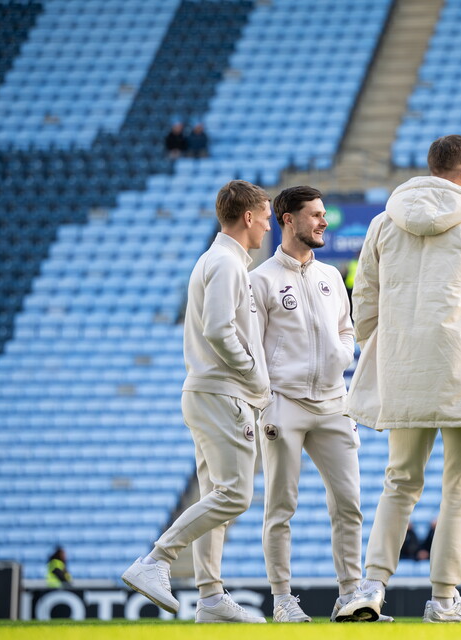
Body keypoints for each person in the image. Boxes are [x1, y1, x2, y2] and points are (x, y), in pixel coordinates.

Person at [337, 135, 461, 623]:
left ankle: (371, 585)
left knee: (399, 481)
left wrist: (386, 351)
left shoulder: (383, 222)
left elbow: (366, 302)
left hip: (405, 370)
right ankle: (443, 599)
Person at [121, 179, 273, 624]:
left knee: (215, 495)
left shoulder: (216, 259)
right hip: (222, 393)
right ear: (247, 217)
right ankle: (156, 560)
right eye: (264, 216)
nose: (267, 225)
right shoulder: (227, 263)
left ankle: (210, 598)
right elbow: (218, 329)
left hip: (207, 392)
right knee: (235, 495)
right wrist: (252, 374)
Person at [248, 186, 363, 623]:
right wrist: (268, 400)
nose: (323, 222)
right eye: (314, 215)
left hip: (334, 403)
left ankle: (351, 595)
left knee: (349, 502)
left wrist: (342, 355)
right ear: (286, 218)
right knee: (281, 506)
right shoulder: (260, 280)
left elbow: (347, 330)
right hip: (284, 405)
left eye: (323, 214)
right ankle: (282, 600)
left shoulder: (331, 276)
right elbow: (253, 349)